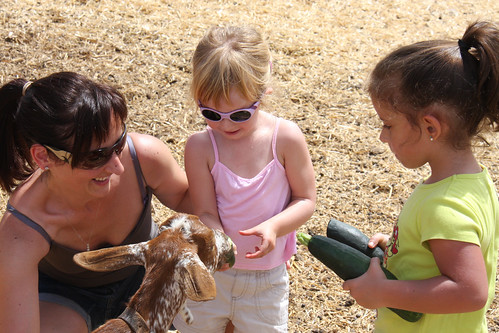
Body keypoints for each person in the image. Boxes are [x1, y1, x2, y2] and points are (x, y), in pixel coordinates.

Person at [0, 71, 192, 332]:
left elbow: (191, 200)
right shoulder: (21, 232)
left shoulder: (143, 157)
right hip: (66, 299)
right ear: (43, 157)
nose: (117, 167)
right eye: (95, 157)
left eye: (119, 143)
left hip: (149, 278)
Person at [342, 21, 499, 332]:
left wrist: (382, 292)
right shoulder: (474, 182)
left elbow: (470, 292)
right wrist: (404, 253)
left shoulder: (444, 206)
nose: (382, 137)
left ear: (431, 128)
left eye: (388, 124)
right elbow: (447, 255)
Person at [172, 25, 316, 333]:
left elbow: (305, 200)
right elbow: (206, 211)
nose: (225, 125)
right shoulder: (200, 146)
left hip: (266, 281)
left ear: (264, 90)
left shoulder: (285, 138)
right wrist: (218, 241)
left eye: (239, 115)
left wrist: (275, 227)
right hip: (212, 272)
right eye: (210, 113)